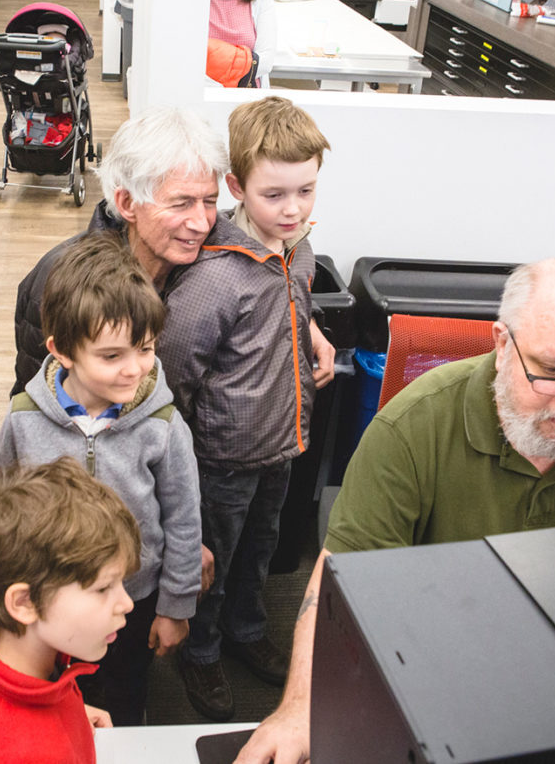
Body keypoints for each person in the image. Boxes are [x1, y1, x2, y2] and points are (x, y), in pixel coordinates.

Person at [234, 255, 555, 764]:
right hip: (440, 666)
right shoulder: (410, 428)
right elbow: (341, 581)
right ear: (502, 346)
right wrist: (301, 709)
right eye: (553, 372)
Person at [157, 96, 331, 722]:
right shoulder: (214, 278)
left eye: (305, 191)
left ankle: (247, 630)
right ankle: (201, 653)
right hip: (224, 457)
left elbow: (292, 301)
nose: (293, 210)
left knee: (260, 550)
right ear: (235, 186)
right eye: (274, 195)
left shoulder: (297, 247)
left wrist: (311, 333)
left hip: (283, 443)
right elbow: (174, 372)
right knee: (214, 561)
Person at [0, 233, 202, 726]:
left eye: (145, 349)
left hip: (135, 594)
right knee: (62, 698)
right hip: (50, 600)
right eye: (111, 356)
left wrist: (176, 606)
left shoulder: (163, 425)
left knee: (127, 691)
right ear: (61, 351)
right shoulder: (23, 419)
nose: (134, 370)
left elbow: (184, 518)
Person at [0, 458, 141, 764]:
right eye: (102, 588)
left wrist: (66, 712)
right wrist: (49, 731)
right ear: (24, 603)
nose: (127, 604)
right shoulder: (34, 754)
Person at [11, 105, 229, 394]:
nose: (202, 223)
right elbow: (37, 403)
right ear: (127, 203)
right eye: (181, 204)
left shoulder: (219, 259)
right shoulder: (58, 281)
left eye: (210, 201)